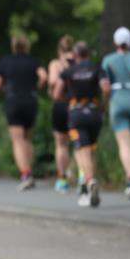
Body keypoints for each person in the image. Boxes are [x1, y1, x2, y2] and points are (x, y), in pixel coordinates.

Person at [55, 41, 111, 208]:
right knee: (91, 150)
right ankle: (88, 182)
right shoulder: (97, 69)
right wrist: (103, 106)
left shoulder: (69, 71)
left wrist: (64, 99)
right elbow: (106, 89)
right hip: (95, 112)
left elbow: (57, 91)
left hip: (77, 113)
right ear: (88, 54)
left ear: (75, 54)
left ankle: (89, 181)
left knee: (81, 150)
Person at [0, 34, 47, 190]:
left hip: (13, 100)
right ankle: (29, 170)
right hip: (30, 100)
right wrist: (37, 87)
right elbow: (44, 77)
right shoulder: (33, 61)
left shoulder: (6, 61)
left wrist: (5, 89)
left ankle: (25, 174)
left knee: (17, 140)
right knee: (27, 138)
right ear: (27, 46)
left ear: (13, 46)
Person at [101, 26, 130, 198]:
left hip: (118, 99)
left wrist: (104, 105)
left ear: (115, 42)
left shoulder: (108, 60)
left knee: (123, 143)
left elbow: (105, 87)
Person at [47, 35, 77, 193]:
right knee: (80, 144)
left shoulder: (56, 64)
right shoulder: (77, 61)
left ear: (59, 50)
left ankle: (62, 179)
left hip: (60, 104)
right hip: (77, 104)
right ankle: (83, 178)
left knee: (61, 144)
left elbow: (52, 81)